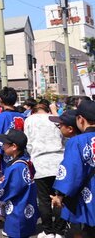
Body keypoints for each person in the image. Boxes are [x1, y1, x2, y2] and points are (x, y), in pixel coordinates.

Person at [51, 100, 95, 238]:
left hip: (88, 198)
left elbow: (72, 171)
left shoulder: (77, 141)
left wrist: (60, 195)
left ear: (80, 119)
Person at [25, 101, 65, 238]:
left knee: (43, 199)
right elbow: (64, 136)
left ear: (33, 111)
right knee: (59, 198)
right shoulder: (54, 118)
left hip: (40, 163)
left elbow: (28, 143)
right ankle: (60, 231)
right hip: (59, 161)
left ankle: (48, 231)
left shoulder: (29, 120)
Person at [0, 129, 39, 238]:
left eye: (5, 144)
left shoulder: (16, 167)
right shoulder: (26, 162)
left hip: (18, 209)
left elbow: (5, 191)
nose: (3, 146)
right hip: (27, 206)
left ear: (14, 146)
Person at [0, 87, 25, 173]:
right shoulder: (22, 116)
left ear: (0, 99)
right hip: (22, 153)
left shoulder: (2, 116)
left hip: (7, 154)